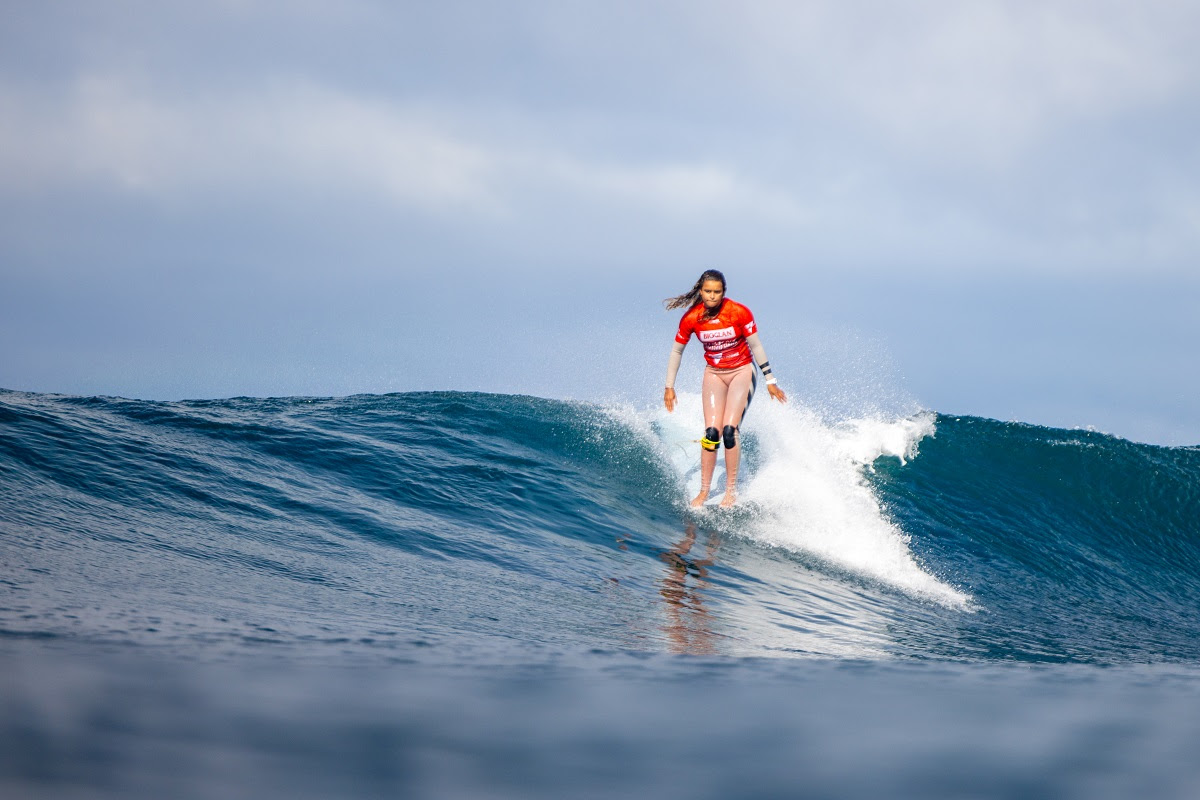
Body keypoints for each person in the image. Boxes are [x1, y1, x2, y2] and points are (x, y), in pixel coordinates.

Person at [663, 269, 787, 508]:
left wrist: (770, 380)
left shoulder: (738, 312)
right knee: (711, 434)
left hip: (742, 371)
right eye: (708, 291)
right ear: (700, 291)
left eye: (716, 292)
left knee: (729, 431)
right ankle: (704, 492)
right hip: (714, 375)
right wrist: (669, 386)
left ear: (723, 292)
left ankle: (730, 492)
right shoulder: (692, 318)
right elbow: (676, 351)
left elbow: (756, 345)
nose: (711, 296)